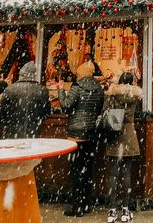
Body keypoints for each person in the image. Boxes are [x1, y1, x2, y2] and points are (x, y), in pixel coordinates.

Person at [58, 60, 104, 217]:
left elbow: (66, 106)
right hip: (91, 133)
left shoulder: (77, 88)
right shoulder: (98, 88)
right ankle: (86, 204)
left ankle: (77, 206)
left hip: (76, 134)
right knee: (87, 170)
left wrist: (61, 91)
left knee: (76, 171)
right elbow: (99, 109)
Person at [104, 72, 143, 223]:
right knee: (126, 175)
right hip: (129, 136)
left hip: (114, 134)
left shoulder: (111, 95)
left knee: (113, 175)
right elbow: (137, 113)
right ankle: (125, 211)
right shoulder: (135, 96)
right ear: (132, 82)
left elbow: (105, 112)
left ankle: (112, 211)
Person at [0, 61, 50, 139]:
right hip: (33, 133)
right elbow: (46, 113)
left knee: (14, 150)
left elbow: (0, 113)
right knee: (32, 151)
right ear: (34, 75)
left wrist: (8, 121)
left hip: (12, 133)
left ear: (20, 75)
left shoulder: (10, 89)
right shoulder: (42, 90)